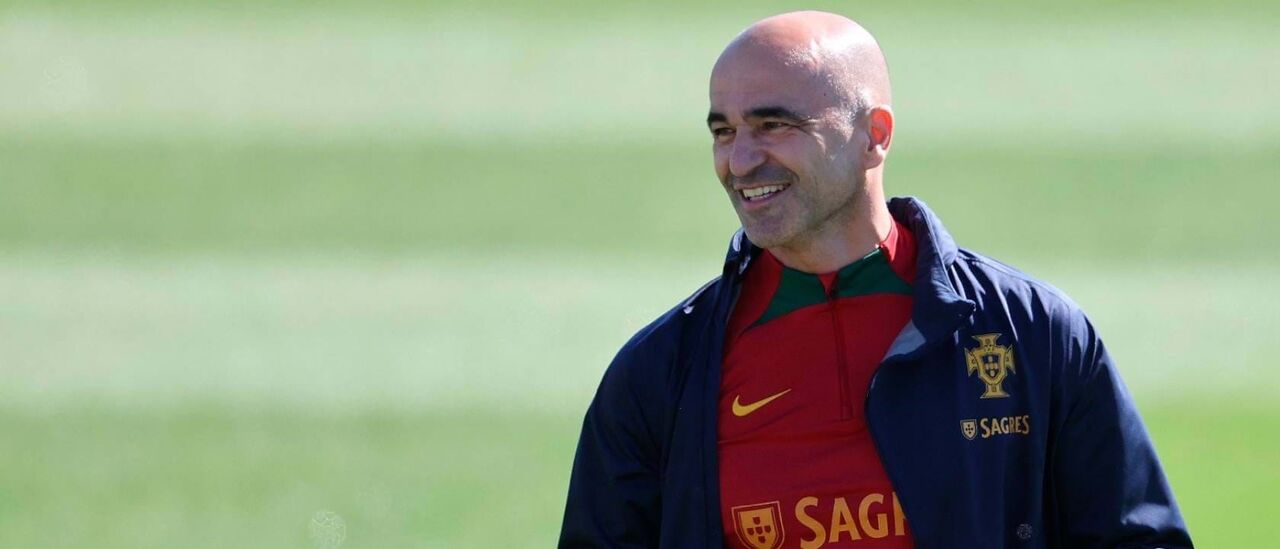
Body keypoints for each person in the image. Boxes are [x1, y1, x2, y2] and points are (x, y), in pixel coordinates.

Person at [559, 10, 1191, 549]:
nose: (740, 161)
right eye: (724, 132)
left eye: (774, 125)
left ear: (874, 136)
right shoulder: (659, 374)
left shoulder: (1034, 334)